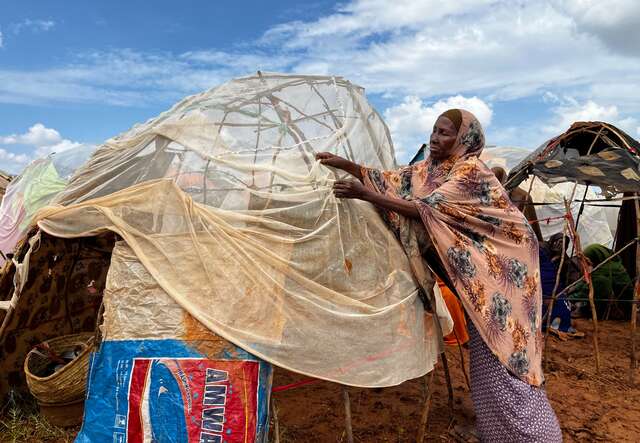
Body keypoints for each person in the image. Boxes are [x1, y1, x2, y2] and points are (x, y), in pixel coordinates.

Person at [317, 109, 562, 442]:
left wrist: (364, 195)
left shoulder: (470, 172)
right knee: (486, 360)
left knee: (508, 358)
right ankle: (498, 434)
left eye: (445, 133)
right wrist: (346, 165)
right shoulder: (430, 170)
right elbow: (393, 180)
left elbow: (427, 208)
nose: (435, 137)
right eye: (434, 130)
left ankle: (535, 436)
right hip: (479, 281)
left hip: (505, 277)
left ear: (463, 139)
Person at [569, 243, 634, 319]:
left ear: (596, 256)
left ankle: (585, 310)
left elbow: (588, 287)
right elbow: (585, 280)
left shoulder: (608, 268)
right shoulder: (607, 265)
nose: (587, 262)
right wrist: (573, 289)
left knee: (600, 282)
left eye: (588, 259)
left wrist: (570, 298)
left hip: (622, 308)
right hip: (618, 303)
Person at [491, 166, 543, 242]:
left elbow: (531, 223)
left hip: (520, 236)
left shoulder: (523, 196)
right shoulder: (491, 194)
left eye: (494, 181)